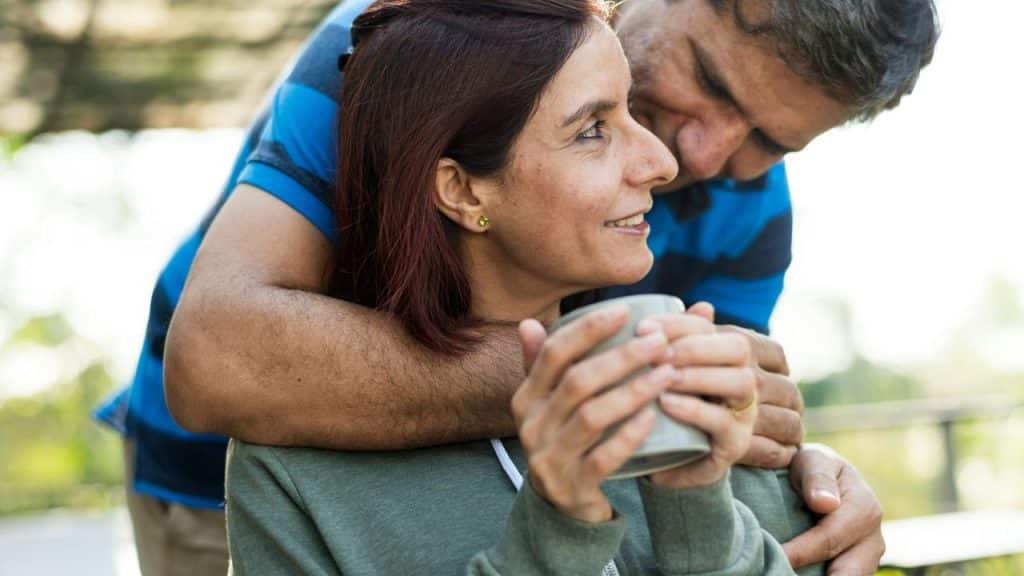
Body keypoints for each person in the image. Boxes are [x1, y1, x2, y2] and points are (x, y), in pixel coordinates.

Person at [93, 0, 938, 573]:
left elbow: (719, 431)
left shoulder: (748, 209)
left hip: (541, 498)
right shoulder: (408, 38)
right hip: (226, 483)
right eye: (711, 83)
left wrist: (803, 477)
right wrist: (605, 384)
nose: (702, 157)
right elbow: (221, 362)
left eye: (769, 140)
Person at [228, 2, 803, 573]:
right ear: (464, 191)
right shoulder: (287, 476)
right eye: (593, 130)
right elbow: (208, 351)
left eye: (633, 110)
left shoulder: (701, 413)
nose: (663, 163)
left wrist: (698, 513)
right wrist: (558, 529)